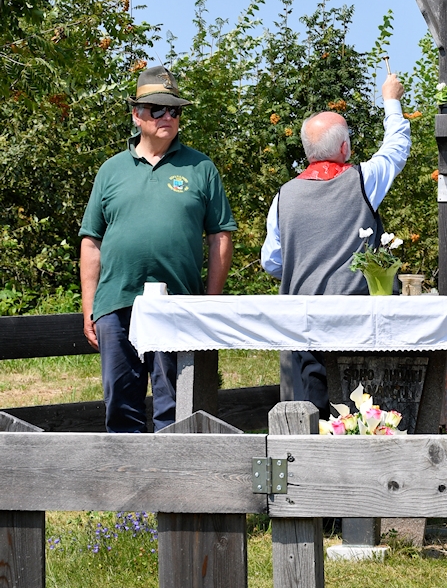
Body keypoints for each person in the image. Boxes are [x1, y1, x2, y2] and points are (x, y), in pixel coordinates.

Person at [79, 66, 236, 433]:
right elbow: (92, 241)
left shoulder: (201, 167)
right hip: (115, 304)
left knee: (175, 404)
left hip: (177, 305)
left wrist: (209, 302)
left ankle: (172, 484)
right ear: (136, 114)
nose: (168, 116)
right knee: (120, 401)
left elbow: (221, 236)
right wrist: (90, 308)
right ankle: (126, 481)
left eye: (175, 110)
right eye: (157, 109)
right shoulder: (111, 170)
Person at [260, 72, 411, 416]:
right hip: (360, 323)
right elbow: (397, 147)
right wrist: (391, 99)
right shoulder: (364, 180)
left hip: (303, 324)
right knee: (364, 413)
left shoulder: (283, 196)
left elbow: (272, 261)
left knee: (309, 418)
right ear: (344, 148)